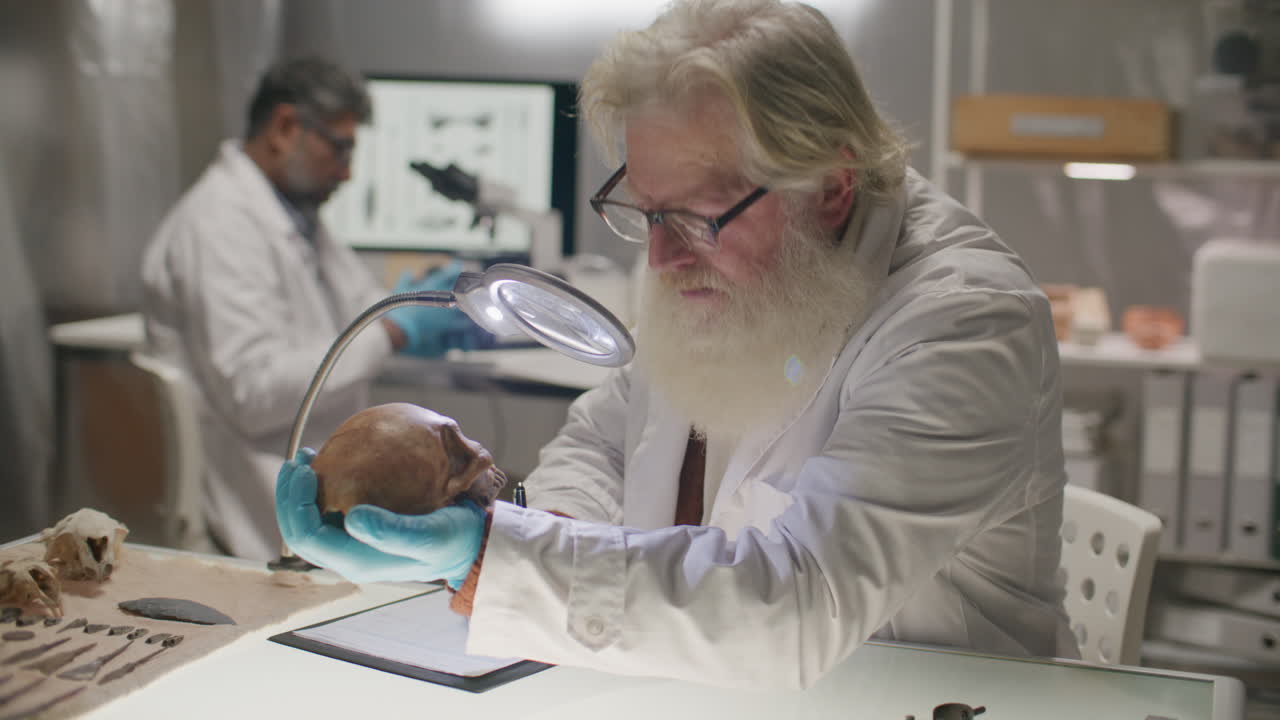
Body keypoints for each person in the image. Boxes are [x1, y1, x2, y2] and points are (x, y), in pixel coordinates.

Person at [276, 0, 1077, 690]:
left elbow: (798, 607)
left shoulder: (965, 322)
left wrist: (498, 562)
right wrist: (533, 531)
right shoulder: (710, 247)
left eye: (696, 216)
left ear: (833, 186)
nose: (660, 257)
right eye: (646, 211)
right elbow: (605, 440)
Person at [142, 57, 463, 561]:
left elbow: (360, 310)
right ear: (286, 127)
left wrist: (423, 303)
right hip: (262, 503)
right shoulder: (219, 224)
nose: (348, 170)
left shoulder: (293, 215)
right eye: (339, 147)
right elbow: (254, 391)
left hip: (315, 479)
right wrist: (396, 331)